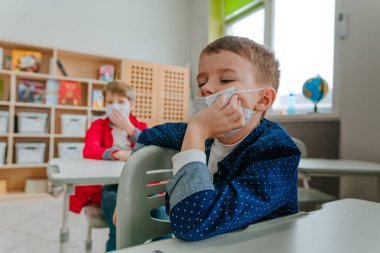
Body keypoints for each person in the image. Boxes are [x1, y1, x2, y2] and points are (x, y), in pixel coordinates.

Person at [133, 36, 301, 241]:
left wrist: (198, 130)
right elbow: (148, 135)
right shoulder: (196, 131)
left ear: (263, 100)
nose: (206, 88)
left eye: (226, 80)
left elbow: (192, 224)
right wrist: (135, 202)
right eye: (201, 81)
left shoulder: (277, 151)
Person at [69, 81, 147, 252]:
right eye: (110, 102)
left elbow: (150, 148)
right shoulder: (98, 126)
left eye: (121, 101)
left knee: (161, 223)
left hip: (140, 185)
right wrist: (117, 154)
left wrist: (130, 129)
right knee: (119, 229)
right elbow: (90, 149)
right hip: (109, 186)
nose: (115, 106)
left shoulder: (140, 127)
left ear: (131, 104)